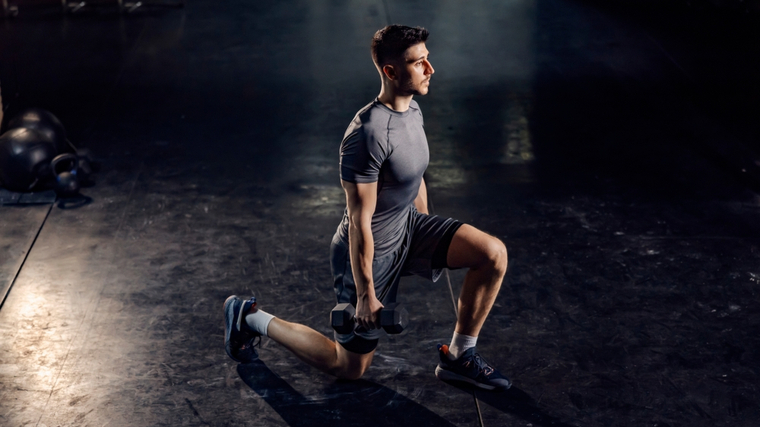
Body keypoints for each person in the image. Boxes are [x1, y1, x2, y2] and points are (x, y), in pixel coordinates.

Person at [224, 24, 511, 391]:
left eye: (428, 59)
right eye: (418, 62)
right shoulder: (367, 134)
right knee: (348, 368)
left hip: (408, 227)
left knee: (492, 253)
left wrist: (424, 232)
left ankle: (459, 358)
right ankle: (249, 318)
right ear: (390, 71)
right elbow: (360, 222)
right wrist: (365, 295)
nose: (430, 69)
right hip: (368, 251)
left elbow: (414, 176)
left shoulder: (414, 111)